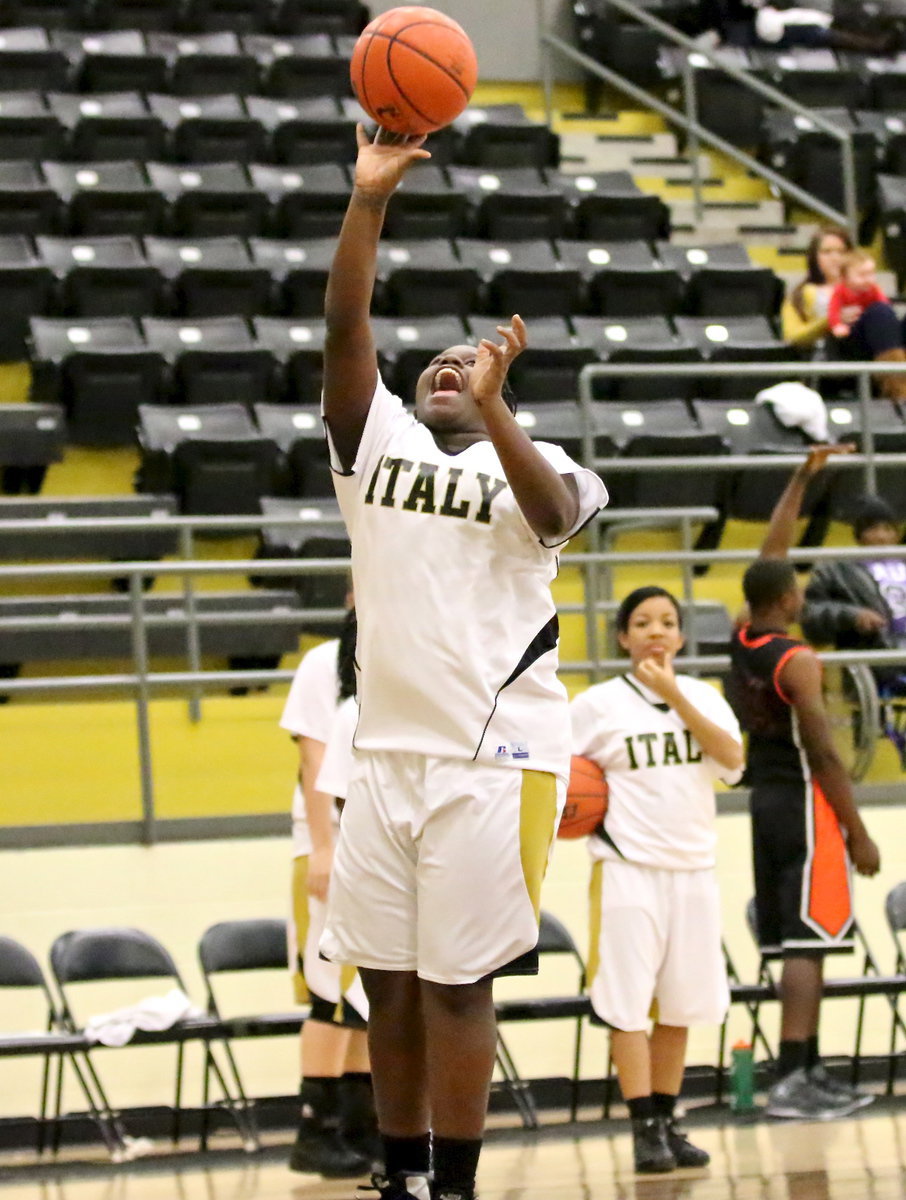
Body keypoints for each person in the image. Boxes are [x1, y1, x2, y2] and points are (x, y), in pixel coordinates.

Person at [317, 123, 608, 1200]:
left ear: (502, 395)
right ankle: (397, 1176)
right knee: (384, 983)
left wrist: (493, 411)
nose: (446, 366)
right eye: (435, 364)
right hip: (383, 755)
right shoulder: (376, 449)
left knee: (454, 984)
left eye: (468, 364)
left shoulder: (543, 469)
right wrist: (368, 200)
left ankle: (457, 1185)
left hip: (493, 760)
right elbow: (347, 329)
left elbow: (548, 511)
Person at [726, 445, 882, 1120]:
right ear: (789, 601)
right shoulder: (799, 661)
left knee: (796, 940)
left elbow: (770, 556)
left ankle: (804, 1070)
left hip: (765, 798)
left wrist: (799, 479)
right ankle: (796, 1075)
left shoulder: (743, 641)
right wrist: (859, 832)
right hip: (809, 802)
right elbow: (825, 754)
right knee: (809, 943)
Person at [571, 587, 744, 1174]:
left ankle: (669, 1121)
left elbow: (733, 762)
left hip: (694, 872)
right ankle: (643, 1126)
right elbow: (553, 778)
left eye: (667, 622)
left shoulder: (704, 697)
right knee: (626, 1008)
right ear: (622, 637)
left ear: (682, 635)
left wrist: (673, 696)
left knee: (680, 1006)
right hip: (627, 871)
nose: (655, 631)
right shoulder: (594, 707)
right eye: (642, 622)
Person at [280, 607, 378, 1177]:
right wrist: (323, 847)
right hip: (331, 843)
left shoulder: (403, 656)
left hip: (378, 848)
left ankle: (361, 1125)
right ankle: (312, 1129)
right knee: (330, 991)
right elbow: (313, 756)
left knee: (368, 994)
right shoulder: (324, 663)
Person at [802, 493, 906, 761]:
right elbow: (811, 615)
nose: (882, 536)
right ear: (859, 536)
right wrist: (852, 615)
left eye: (887, 529)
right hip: (876, 658)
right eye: (873, 529)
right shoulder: (837, 571)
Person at [781, 226, 906, 400]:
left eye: (842, 251)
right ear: (814, 257)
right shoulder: (800, 295)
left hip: (874, 346)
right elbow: (792, 337)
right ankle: (900, 391)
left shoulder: (866, 287)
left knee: (882, 312)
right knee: (879, 312)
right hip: (836, 351)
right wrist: (830, 321)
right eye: (827, 252)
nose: (835, 258)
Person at [828, 251, 889, 340]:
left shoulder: (873, 289)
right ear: (845, 278)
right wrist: (837, 325)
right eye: (862, 275)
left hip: (870, 326)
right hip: (850, 329)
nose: (868, 279)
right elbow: (833, 311)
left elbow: (884, 305)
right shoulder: (840, 291)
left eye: (871, 274)